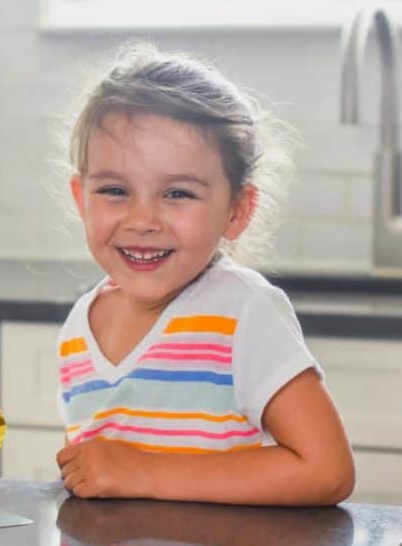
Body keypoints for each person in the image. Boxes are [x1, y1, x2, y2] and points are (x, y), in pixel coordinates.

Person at [56, 43, 355, 505]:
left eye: (177, 193)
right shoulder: (80, 326)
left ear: (237, 210)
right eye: (115, 190)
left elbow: (326, 471)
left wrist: (144, 471)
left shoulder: (243, 311)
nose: (142, 219)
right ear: (81, 198)